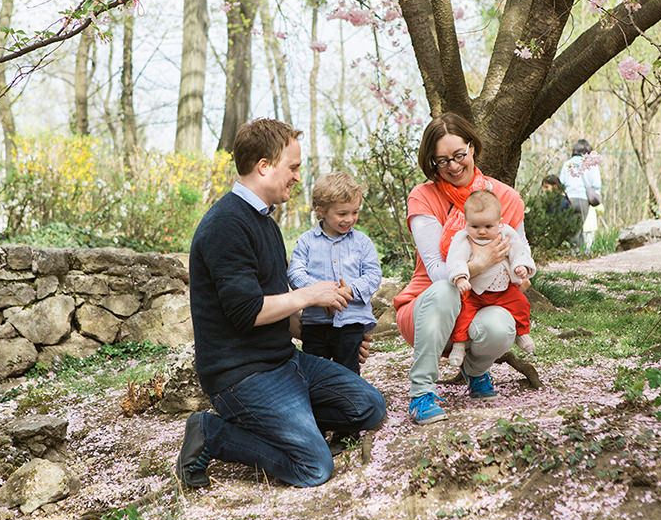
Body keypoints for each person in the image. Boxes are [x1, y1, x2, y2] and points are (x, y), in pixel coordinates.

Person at [176, 118, 387, 489]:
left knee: (369, 406)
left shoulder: (266, 223)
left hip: (285, 361)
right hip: (242, 375)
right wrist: (311, 293)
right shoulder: (226, 225)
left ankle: (288, 421)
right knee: (314, 467)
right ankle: (212, 433)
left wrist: (334, 336)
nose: (296, 177)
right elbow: (247, 313)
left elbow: (280, 307)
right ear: (263, 166)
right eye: (292, 167)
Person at [392, 113, 528, 425]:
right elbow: (437, 270)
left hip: (484, 302)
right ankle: (422, 391)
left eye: (458, 156)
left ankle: (475, 370)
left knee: (500, 327)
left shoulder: (505, 198)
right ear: (432, 163)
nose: (453, 167)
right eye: (442, 161)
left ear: (472, 148)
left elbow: (520, 253)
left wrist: (521, 275)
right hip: (427, 307)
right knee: (445, 287)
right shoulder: (423, 196)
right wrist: (479, 263)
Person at [288, 171, 381, 376]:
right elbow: (295, 272)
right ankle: (318, 404)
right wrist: (321, 292)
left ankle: (349, 405)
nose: (349, 219)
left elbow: (373, 274)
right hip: (315, 324)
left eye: (354, 212)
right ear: (321, 211)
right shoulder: (306, 242)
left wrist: (351, 289)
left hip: (351, 323)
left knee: (348, 371)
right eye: (342, 214)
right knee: (313, 371)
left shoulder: (362, 243)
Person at [446, 190, 536, 367]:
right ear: (466, 223)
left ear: (499, 222)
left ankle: (522, 332)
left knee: (521, 304)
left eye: (488, 227)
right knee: (463, 315)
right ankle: (459, 344)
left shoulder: (507, 233)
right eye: (475, 226)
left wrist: (521, 266)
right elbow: (455, 259)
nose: (481, 232)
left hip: (503, 290)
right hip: (475, 291)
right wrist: (461, 277)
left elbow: (518, 251)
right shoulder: (463, 238)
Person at [558, 139, 602, 249]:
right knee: (580, 228)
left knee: (572, 229)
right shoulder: (591, 165)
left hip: (569, 199)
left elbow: (561, 183)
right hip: (583, 200)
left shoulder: (567, 164)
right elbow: (596, 184)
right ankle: (578, 253)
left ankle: (574, 252)